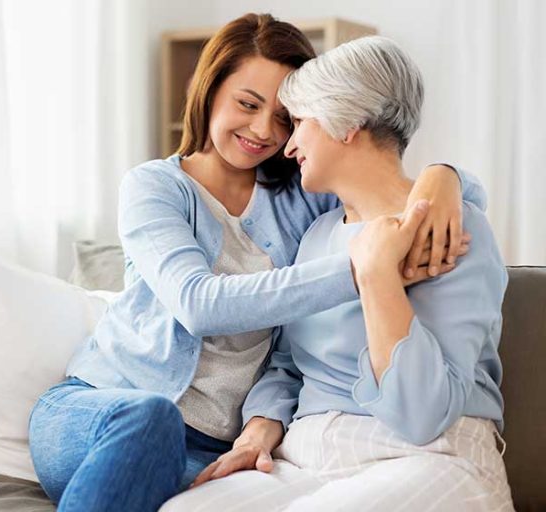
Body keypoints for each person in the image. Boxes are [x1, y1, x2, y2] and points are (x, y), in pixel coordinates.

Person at [28, 14, 485, 512]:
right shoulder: (154, 188)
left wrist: (447, 177)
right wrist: (361, 267)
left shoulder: (305, 199)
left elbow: (386, 187)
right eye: (247, 104)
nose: (265, 130)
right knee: (150, 417)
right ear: (208, 89)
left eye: (286, 117)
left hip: (208, 447)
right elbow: (198, 304)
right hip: (99, 410)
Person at [163, 36, 513, 511]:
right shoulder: (318, 233)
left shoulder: (452, 229)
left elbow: (422, 413)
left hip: (428, 454)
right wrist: (258, 429)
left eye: (300, 122)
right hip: (307, 457)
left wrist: (377, 276)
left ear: (346, 123)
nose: (287, 146)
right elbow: (287, 363)